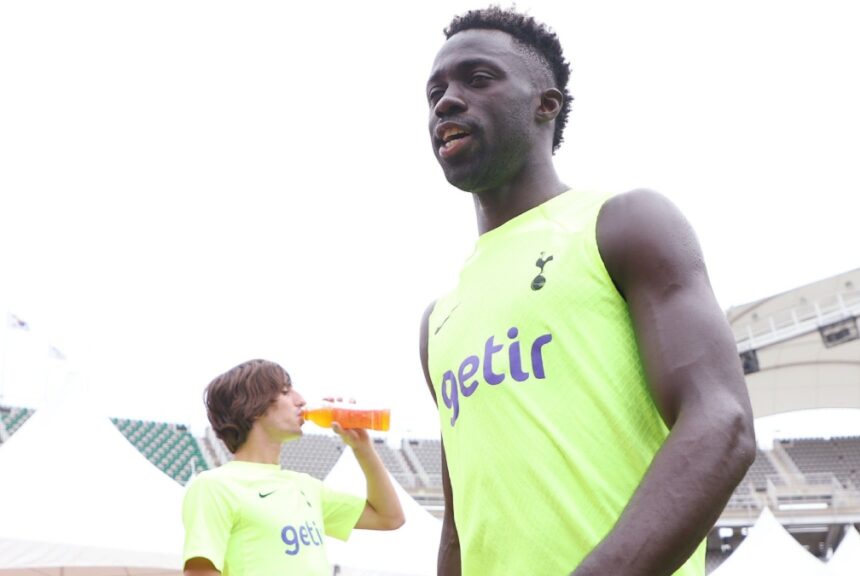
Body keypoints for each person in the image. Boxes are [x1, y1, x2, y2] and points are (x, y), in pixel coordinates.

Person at [418, 7, 756, 575]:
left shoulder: (621, 224)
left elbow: (721, 421)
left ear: (545, 104)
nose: (446, 101)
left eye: (477, 79)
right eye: (435, 92)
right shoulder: (438, 320)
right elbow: (459, 526)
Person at [181, 359, 404, 576]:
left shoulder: (306, 486)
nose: (301, 401)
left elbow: (390, 518)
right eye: (286, 392)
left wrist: (362, 448)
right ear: (254, 407)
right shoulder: (215, 486)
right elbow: (200, 571)